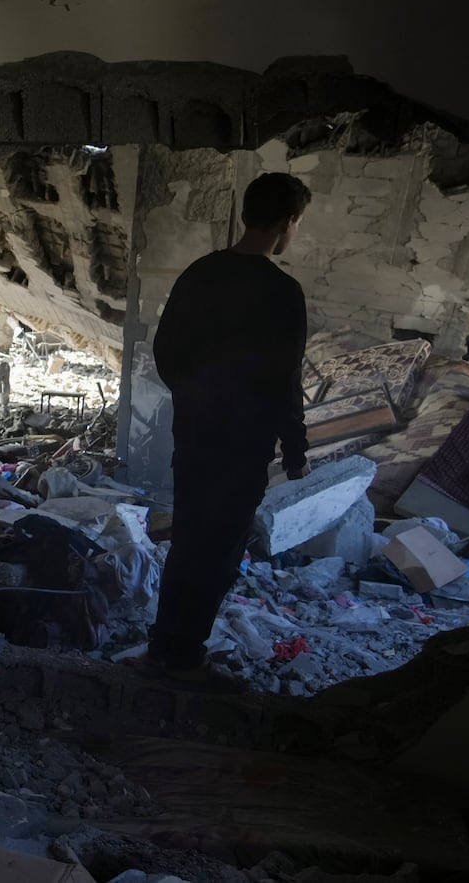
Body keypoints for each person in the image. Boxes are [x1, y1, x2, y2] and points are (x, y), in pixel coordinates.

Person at [146, 172, 313, 684]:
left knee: (191, 540)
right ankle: (184, 654)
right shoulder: (283, 292)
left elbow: (166, 353)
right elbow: (287, 380)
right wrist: (295, 449)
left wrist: (197, 401)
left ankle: (167, 647)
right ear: (288, 223)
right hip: (243, 448)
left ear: (246, 212)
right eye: (297, 223)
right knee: (220, 552)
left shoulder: (201, 273)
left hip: (196, 438)